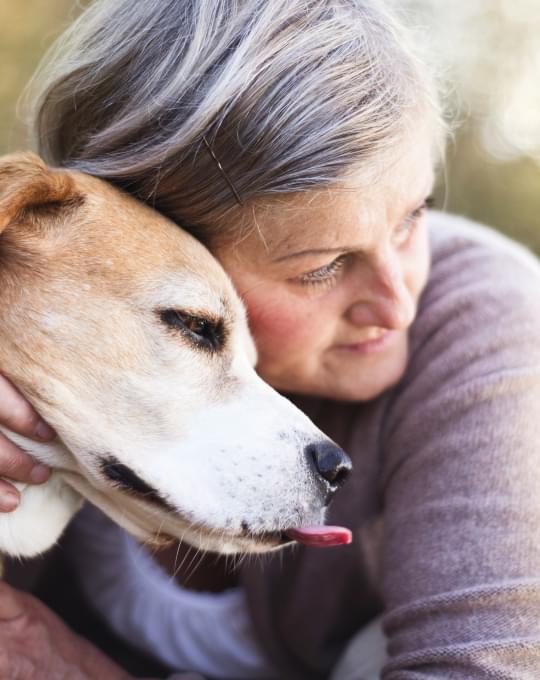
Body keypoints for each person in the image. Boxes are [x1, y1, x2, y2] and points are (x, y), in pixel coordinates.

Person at [1, 0, 540, 678]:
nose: (398, 303)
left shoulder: (490, 332)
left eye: (413, 217)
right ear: (159, 230)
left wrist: (66, 667)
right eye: (320, 267)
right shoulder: (67, 279)